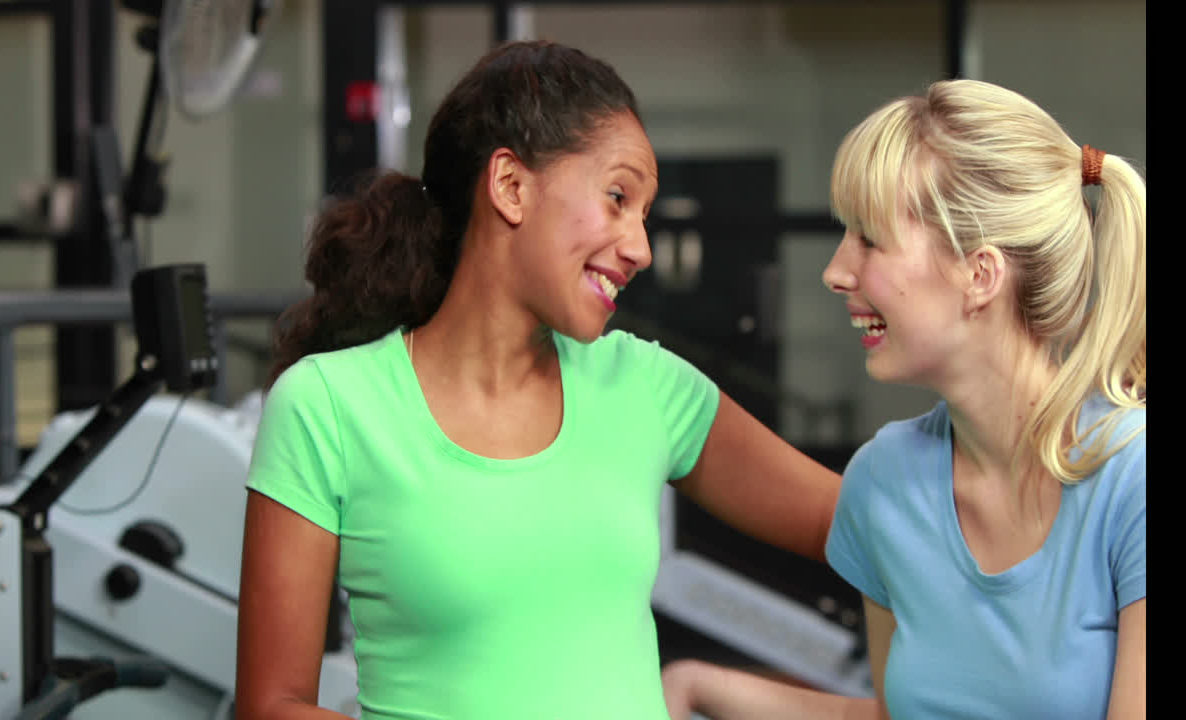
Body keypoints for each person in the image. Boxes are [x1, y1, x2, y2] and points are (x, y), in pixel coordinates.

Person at [233, 40, 843, 720]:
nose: (640, 248)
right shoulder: (327, 406)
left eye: (642, 214)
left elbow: (853, 522)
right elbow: (272, 706)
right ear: (511, 187)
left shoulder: (644, 385)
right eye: (618, 198)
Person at [659, 77, 1145, 719]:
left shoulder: (1130, 477)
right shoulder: (882, 482)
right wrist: (698, 686)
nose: (835, 271)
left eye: (869, 238)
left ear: (980, 275)